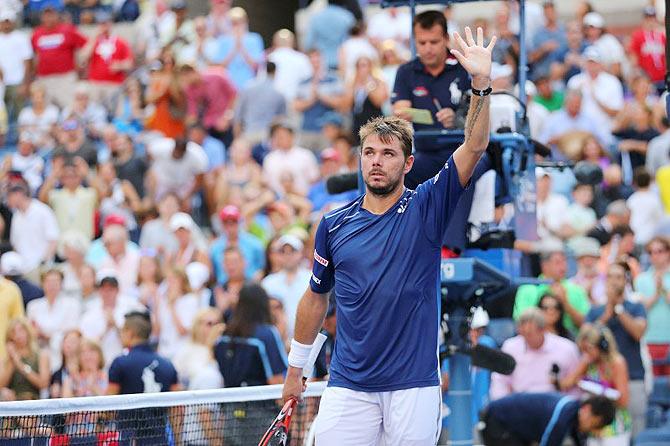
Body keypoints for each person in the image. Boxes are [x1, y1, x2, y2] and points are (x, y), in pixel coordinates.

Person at [282, 27, 496, 444]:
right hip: (347, 386)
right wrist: (296, 370)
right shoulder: (333, 224)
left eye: (388, 153)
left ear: (408, 161)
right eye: (369, 153)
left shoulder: (427, 206)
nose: (377, 162)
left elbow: (474, 145)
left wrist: (481, 86)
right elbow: (315, 297)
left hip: (412, 386)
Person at [391, 9, 471, 186]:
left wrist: (457, 119)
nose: (428, 48)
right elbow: (400, 110)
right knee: (397, 174)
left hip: (464, 151)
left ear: (446, 39)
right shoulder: (406, 72)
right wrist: (404, 114)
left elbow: (479, 111)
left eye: (434, 42)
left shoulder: (465, 68)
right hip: (425, 153)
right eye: (422, 42)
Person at [585, 262, 648, 437]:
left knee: (637, 431)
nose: (614, 281)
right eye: (610, 277)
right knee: (603, 432)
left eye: (618, 277)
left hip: (633, 378)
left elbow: (638, 333)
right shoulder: (596, 311)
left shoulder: (636, 307)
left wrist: (618, 309)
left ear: (625, 281)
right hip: (602, 383)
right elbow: (585, 339)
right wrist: (606, 314)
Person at [107, 311, 181, 443]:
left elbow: (108, 407)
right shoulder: (167, 365)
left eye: (123, 330)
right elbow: (177, 408)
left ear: (130, 333)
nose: (121, 335)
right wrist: (178, 441)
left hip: (129, 440)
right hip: (159, 441)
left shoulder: (120, 363)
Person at [558, 325, 632, 445]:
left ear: (602, 347)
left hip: (614, 424)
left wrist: (601, 391)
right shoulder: (588, 362)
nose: (586, 353)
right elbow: (566, 384)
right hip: (594, 424)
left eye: (589, 349)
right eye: (584, 350)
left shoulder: (617, 363)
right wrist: (583, 364)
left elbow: (623, 400)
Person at [490, 308, 580, 399]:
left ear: (543, 330)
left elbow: (576, 385)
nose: (526, 338)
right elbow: (499, 380)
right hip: (519, 404)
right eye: (522, 333)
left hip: (554, 404)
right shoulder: (510, 347)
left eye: (530, 333)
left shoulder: (567, 348)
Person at [214, 283, 287, 386]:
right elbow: (276, 379)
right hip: (262, 400)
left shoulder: (224, 335)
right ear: (264, 304)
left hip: (230, 400)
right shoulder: (267, 334)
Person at [480, 393, 616, 446]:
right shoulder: (562, 416)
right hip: (497, 421)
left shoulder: (572, 410)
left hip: (514, 430)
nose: (591, 430)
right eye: (593, 425)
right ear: (586, 410)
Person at [514, 247, 590, 334]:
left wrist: (565, 303)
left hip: (570, 340)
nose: (563, 266)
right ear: (544, 265)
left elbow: (586, 325)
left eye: (564, 262)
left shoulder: (577, 290)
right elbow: (521, 323)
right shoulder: (527, 290)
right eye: (558, 262)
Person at [31, 5, 87, 108]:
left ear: (57, 16)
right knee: (46, 109)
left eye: (51, 15)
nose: (48, 18)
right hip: (44, 78)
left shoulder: (68, 30)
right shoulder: (37, 33)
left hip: (65, 77)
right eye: (46, 15)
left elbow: (85, 45)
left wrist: (82, 64)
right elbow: (32, 54)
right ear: (42, 17)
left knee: (70, 107)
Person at [261, 234, 311, 337]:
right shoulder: (268, 283)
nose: (288, 255)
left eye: (292, 251)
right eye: (283, 251)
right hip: (278, 341)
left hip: (308, 341)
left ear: (301, 253)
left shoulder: (311, 279)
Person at [634, 236, 670, 376]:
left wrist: (663, 290)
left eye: (660, 251)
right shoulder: (641, 279)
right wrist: (656, 294)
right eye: (651, 252)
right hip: (649, 339)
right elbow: (640, 309)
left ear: (668, 252)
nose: (655, 256)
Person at [0, 317, 50, 401]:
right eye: (13, 332)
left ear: (27, 332)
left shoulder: (41, 355)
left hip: (33, 403)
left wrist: (19, 364)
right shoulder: (5, 361)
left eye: (21, 330)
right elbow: (1, 385)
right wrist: (12, 360)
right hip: (13, 404)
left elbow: (43, 384)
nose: (18, 335)